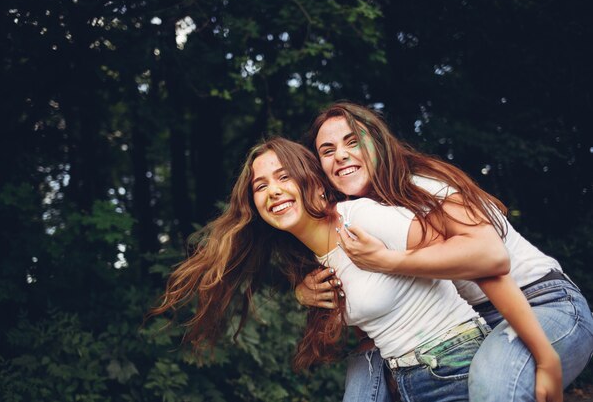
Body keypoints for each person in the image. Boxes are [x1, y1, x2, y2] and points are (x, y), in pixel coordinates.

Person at [149, 136, 497, 402]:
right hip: (408, 379)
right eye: (261, 185)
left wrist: (391, 260)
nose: (273, 191)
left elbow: (473, 253)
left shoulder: (362, 218)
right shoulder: (308, 262)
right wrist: (302, 293)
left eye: (283, 176)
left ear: (314, 183)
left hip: (456, 363)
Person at [295, 101, 593, 402]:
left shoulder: (419, 185)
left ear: (379, 143)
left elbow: (491, 258)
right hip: (468, 326)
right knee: (364, 371)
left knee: (494, 384)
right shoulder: (356, 214)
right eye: (327, 150)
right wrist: (304, 291)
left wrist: (546, 357)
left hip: (543, 302)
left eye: (353, 142)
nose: (341, 155)